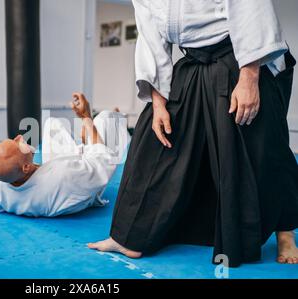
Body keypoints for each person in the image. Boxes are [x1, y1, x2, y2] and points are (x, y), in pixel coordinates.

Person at [89, 0, 298, 266]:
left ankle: (286, 232)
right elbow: (150, 34)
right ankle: (130, 236)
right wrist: (158, 101)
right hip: (193, 61)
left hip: (243, 55)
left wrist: (249, 77)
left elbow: (250, 7)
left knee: (263, 145)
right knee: (156, 139)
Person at [0, 93, 130, 217]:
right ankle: (97, 132)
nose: (18, 137)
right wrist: (86, 118)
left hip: (59, 171)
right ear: (25, 167)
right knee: (107, 118)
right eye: (17, 144)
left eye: (12, 139)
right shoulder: (63, 176)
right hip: (85, 188)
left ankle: (84, 143)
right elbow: (103, 161)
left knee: (52, 124)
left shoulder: (0, 188)